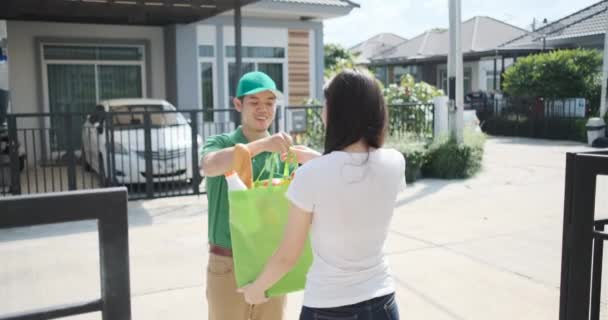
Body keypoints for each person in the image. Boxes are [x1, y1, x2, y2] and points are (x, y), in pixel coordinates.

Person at [239, 69, 405, 320]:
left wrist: (256, 290)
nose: (322, 111)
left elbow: (287, 255)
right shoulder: (394, 162)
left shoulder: (312, 176)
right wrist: (318, 159)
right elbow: (354, 175)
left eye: (326, 104)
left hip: (329, 307)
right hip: (383, 302)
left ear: (338, 113)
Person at [200, 71, 293, 320]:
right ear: (238, 104)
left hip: (272, 263)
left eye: (270, 103)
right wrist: (261, 145)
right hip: (226, 262)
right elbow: (209, 166)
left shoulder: (285, 153)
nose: (263, 109)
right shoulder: (220, 143)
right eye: (254, 103)